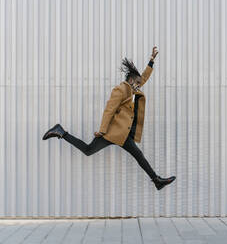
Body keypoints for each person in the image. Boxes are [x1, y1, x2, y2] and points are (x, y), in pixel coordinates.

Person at [42, 46, 176, 191]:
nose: (139, 84)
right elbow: (109, 110)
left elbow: (144, 78)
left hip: (123, 134)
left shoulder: (131, 89)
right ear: (131, 80)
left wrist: (151, 61)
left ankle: (157, 180)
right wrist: (102, 131)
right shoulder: (120, 90)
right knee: (88, 150)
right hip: (112, 133)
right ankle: (61, 132)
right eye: (137, 82)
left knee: (138, 155)